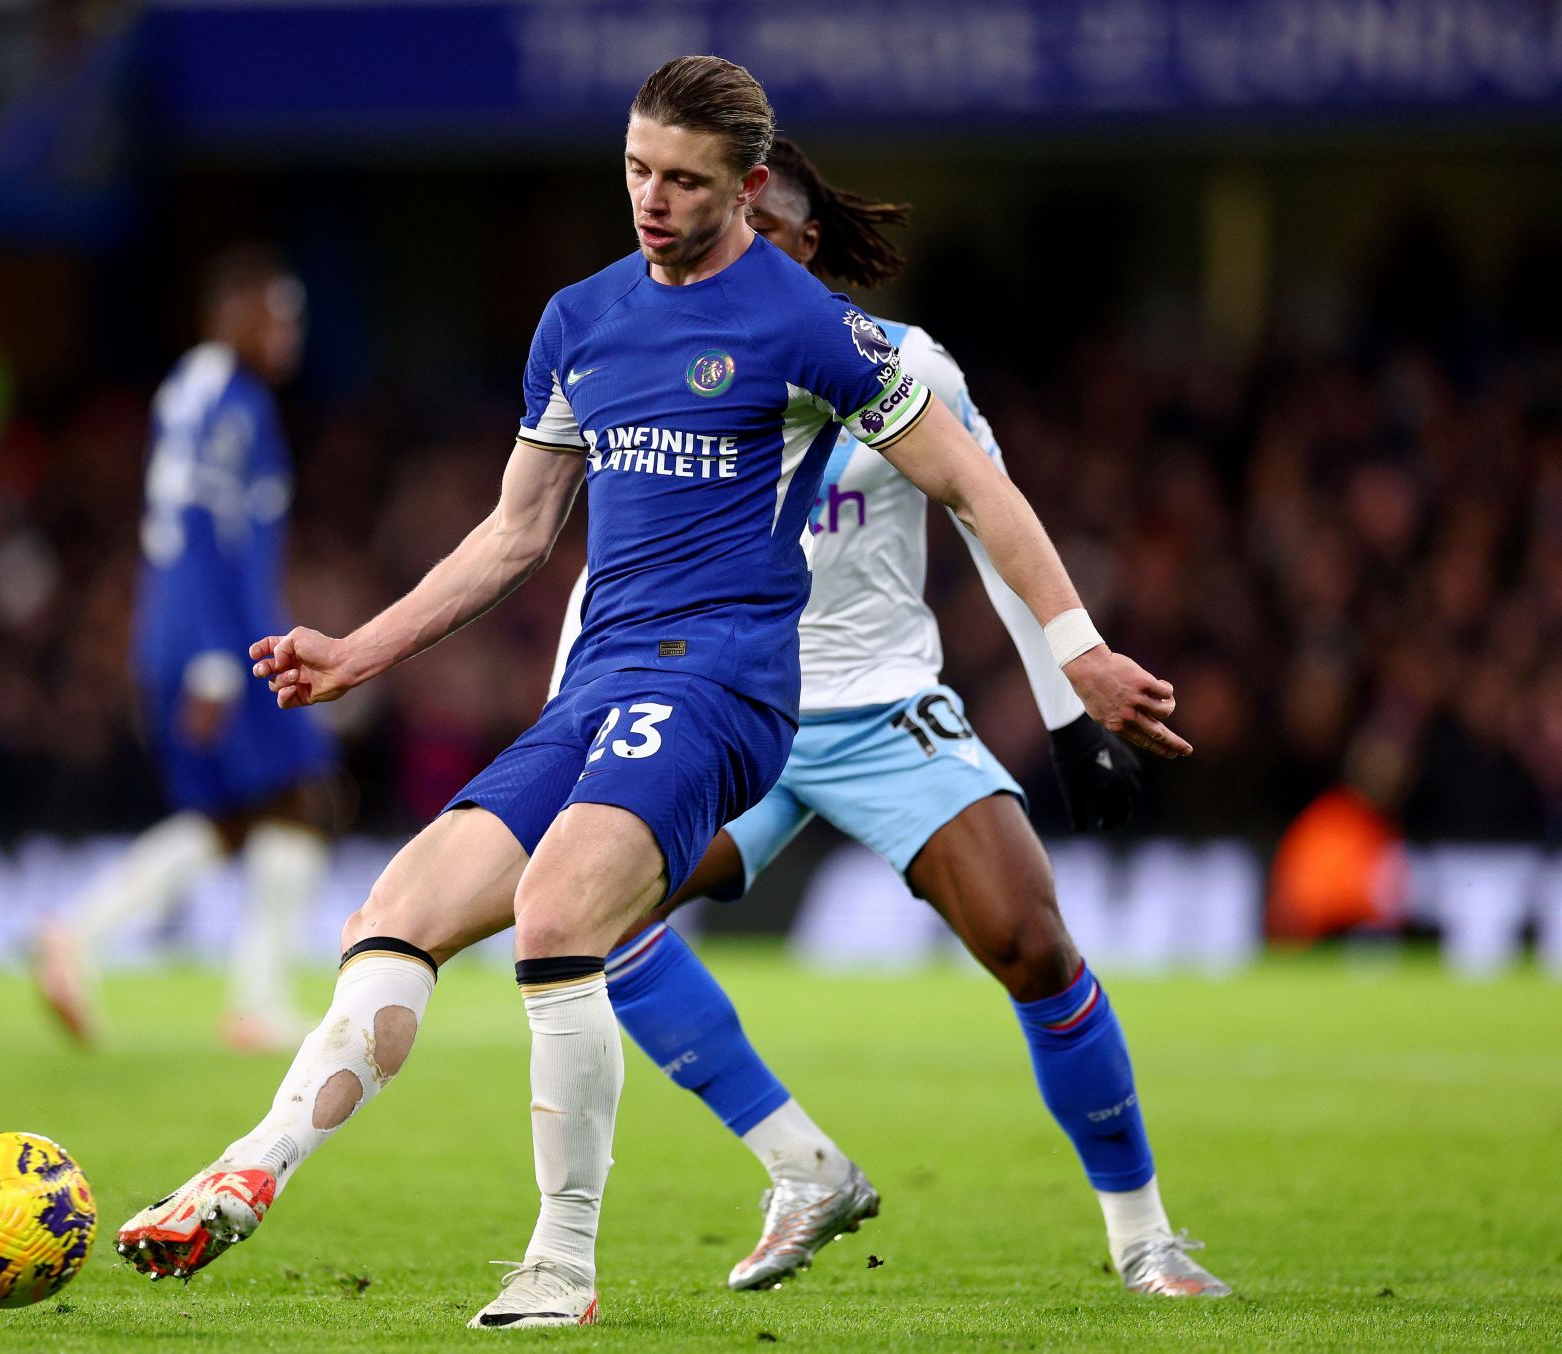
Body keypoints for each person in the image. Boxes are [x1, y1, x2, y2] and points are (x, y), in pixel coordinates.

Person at [114, 57, 1187, 1330]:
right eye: (637, 171)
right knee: (398, 909)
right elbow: (515, 535)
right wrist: (361, 648)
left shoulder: (808, 327)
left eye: (683, 180)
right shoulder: (579, 319)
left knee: (573, 905)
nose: (652, 199)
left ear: (743, 186)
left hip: (732, 684)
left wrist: (1077, 656)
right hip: (605, 683)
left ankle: (562, 1263)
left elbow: (976, 487)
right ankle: (249, 1171)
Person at [561, 138, 1230, 1298]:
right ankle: (800, 1164)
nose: (730, 259)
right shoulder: (662, 361)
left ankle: (1145, 1238)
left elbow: (990, 518)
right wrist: (572, 714)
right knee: (585, 921)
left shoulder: (901, 366)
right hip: (723, 705)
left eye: (760, 239)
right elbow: (609, 561)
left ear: (806, 247)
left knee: (1033, 940)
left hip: (882, 709)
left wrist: (1070, 714)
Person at [34, 245, 339, 1053]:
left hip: (201, 631)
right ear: (232, 314)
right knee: (304, 795)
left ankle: (77, 935)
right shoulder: (224, 401)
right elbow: (201, 529)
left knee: (234, 816)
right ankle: (258, 1001)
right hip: (210, 639)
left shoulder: (212, 393)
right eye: (276, 311)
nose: (287, 330)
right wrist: (214, 658)